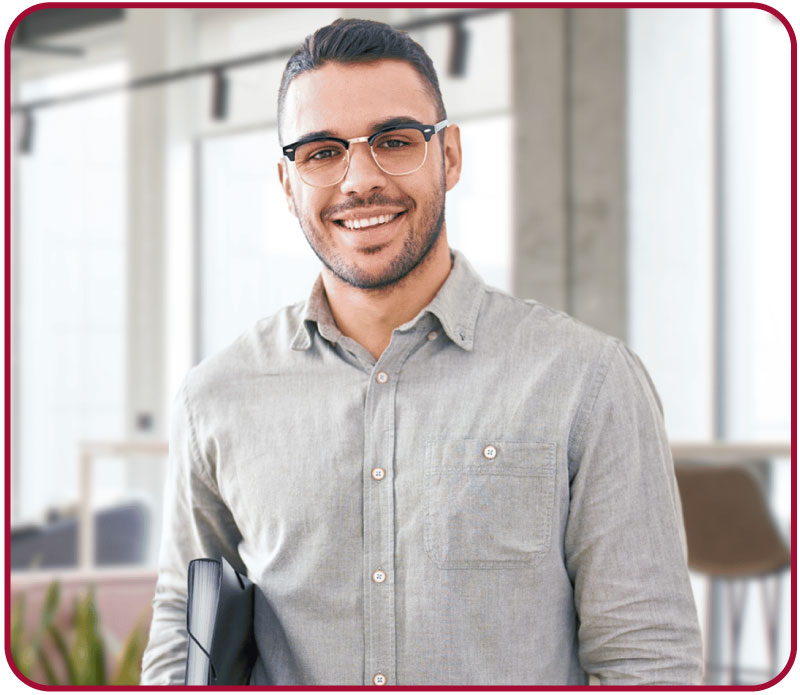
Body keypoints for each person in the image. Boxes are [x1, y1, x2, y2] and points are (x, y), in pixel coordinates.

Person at [141, 18, 703, 686]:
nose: (359, 180)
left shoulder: (589, 381)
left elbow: (649, 660)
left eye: (395, 141)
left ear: (451, 156)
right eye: (322, 152)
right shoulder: (216, 398)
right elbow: (183, 631)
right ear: (288, 183)